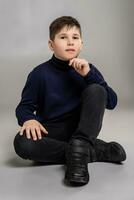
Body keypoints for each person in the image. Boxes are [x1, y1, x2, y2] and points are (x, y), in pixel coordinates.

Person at [13, 16, 126, 186]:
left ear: (81, 44)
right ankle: (93, 152)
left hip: (83, 130)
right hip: (53, 130)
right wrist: (28, 119)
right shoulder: (39, 73)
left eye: (75, 38)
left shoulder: (88, 70)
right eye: (63, 37)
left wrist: (89, 76)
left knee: (96, 89)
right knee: (22, 143)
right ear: (51, 45)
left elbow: (112, 102)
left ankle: (80, 146)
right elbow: (24, 107)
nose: (70, 42)